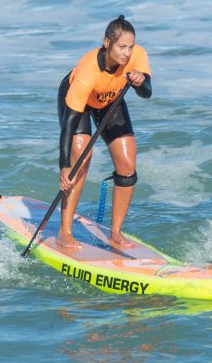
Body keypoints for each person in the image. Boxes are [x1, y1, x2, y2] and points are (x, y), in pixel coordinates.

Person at [57, 15, 152, 249]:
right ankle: (65, 232)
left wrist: (141, 82)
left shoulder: (136, 55)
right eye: (122, 47)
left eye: (130, 47)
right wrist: (64, 167)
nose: (127, 53)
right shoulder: (87, 72)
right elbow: (69, 123)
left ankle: (116, 232)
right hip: (78, 102)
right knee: (81, 159)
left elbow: (147, 92)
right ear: (107, 42)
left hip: (110, 99)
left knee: (127, 165)